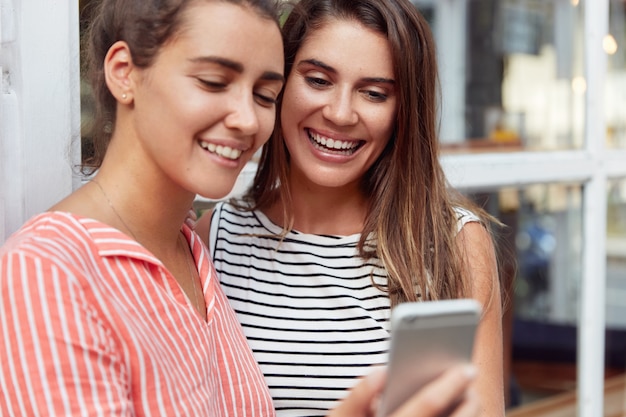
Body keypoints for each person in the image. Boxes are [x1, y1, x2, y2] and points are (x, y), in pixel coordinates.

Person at [0, 0, 481, 416]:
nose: (248, 119)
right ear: (124, 72)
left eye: (264, 94)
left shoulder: (192, 255)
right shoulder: (45, 270)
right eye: (213, 82)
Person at [195, 0, 506, 415]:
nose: (340, 114)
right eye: (319, 80)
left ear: (403, 113)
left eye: (374, 93)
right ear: (280, 82)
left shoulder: (455, 244)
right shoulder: (213, 238)